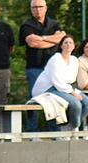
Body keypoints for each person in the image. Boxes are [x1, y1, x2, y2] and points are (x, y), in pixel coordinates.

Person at [31, 34, 88, 131]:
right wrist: (72, 93)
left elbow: (71, 79)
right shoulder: (55, 59)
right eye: (66, 42)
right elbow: (57, 81)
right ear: (61, 46)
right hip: (49, 88)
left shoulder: (74, 60)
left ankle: (70, 126)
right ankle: (74, 128)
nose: (68, 44)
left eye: (70, 43)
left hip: (64, 87)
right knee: (76, 104)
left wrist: (72, 91)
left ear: (73, 46)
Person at [19, 0, 65, 131]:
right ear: (31, 9)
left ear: (46, 8)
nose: (37, 10)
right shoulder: (26, 25)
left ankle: (54, 131)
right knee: (34, 99)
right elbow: (33, 43)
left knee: (54, 99)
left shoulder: (55, 23)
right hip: (35, 68)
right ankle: (32, 131)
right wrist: (53, 39)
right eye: (34, 7)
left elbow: (61, 39)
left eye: (40, 7)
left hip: (53, 70)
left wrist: (42, 38)